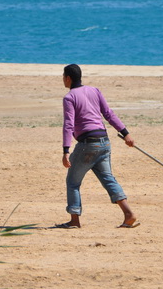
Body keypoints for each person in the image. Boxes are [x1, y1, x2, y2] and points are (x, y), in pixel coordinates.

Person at [58, 64, 139, 229]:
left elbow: (68, 125)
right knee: (108, 179)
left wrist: (66, 150)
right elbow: (109, 114)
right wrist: (125, 133)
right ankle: (129, 214)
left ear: (68, 78)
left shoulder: (69, 97)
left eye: (63, 77)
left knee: (73, 182)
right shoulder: (95, 90)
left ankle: (74, 220)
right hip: (104, 142)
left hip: (87, 146)